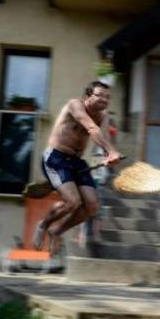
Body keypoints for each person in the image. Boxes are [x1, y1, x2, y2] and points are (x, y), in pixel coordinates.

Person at [33, 81, 124, 253]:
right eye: (100, 95)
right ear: (88, 95)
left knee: (92, 206)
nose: (105, 100)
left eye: (108, 97)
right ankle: (44, 225)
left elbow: (104, 137)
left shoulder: (103, 116)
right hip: (56, 157)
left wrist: (109, 154)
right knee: (72, 202)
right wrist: (111, 151)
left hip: (77, 162)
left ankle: (56, 231)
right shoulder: (75, 105)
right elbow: (91, 128)